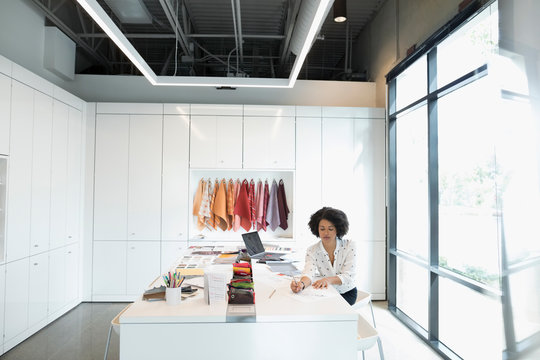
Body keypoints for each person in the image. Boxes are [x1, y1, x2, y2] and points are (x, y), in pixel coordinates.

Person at [290, 207, 357, 305]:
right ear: (317, 229)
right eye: (322, 229)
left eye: (330, 229)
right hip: (326, 292)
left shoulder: (349, 245)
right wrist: (301, 284)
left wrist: (327, 280)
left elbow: (348, 276)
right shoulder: (312, 250)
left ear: (337, 229)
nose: (326, 233)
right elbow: (309, 272)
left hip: (347, 293)